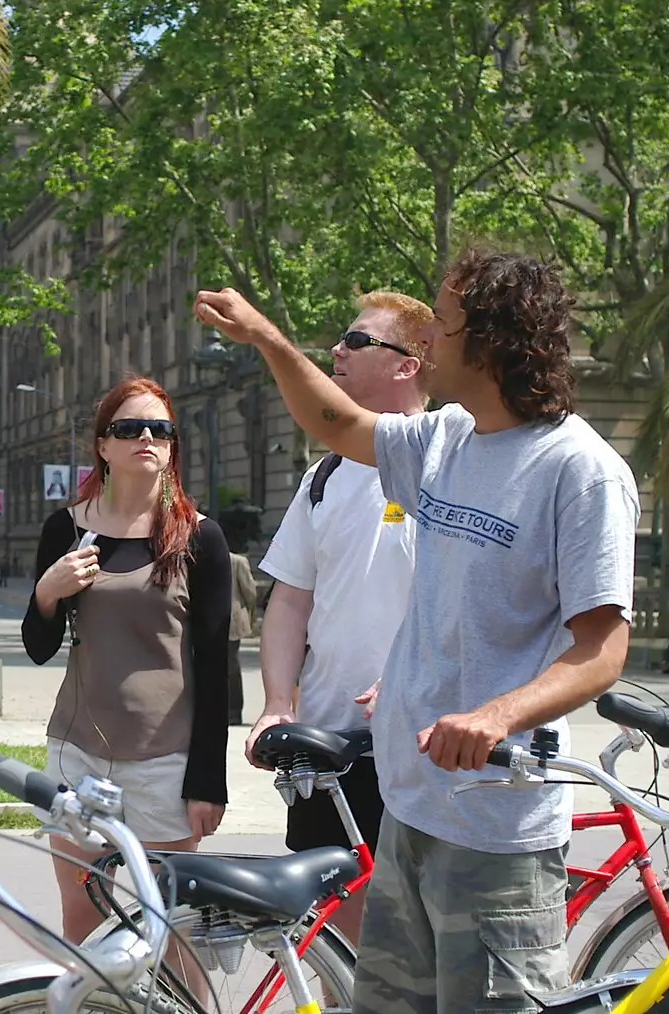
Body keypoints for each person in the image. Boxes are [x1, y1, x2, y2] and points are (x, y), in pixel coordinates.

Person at [196, 249, 639, 1014]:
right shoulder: (444, 440)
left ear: (496, 340)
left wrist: (497, 714)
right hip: (410, 809)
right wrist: (269, 339)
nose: (427, 338)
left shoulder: (579, 470)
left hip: (497, 827)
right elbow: (337, 422)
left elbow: (602, 650)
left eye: (445, 322)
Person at [247, 292, 432, 944]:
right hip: (325, 754)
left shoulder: (453, 460)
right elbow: (290, 599)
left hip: (418, 751)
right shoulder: (323, 473)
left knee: (406, 949)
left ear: (408, 364)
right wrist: (275, 702)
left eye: (356, 341)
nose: (337, 351)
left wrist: (421, 679)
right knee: (330, 948)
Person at [21, 376, 231, 943]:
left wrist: (209, 780)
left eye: (160, 429)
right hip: (77, 755)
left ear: (171, 447)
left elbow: (217, 669)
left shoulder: (200, 538)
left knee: (173, 927)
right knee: (83, 918)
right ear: (103, 445)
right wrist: (49, 591)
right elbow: (38, 647)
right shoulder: (66, 529)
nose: (146, 437)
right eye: (129, 428)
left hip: (166, 761)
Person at [227, 540, 257, 726]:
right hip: (228, 621)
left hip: (231, 622)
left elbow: (250, 592)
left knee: (230, 668)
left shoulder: (237, 562)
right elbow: (251, 593)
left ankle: (233, 712)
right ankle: (232, 712)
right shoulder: (237, 561)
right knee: (230, 669)